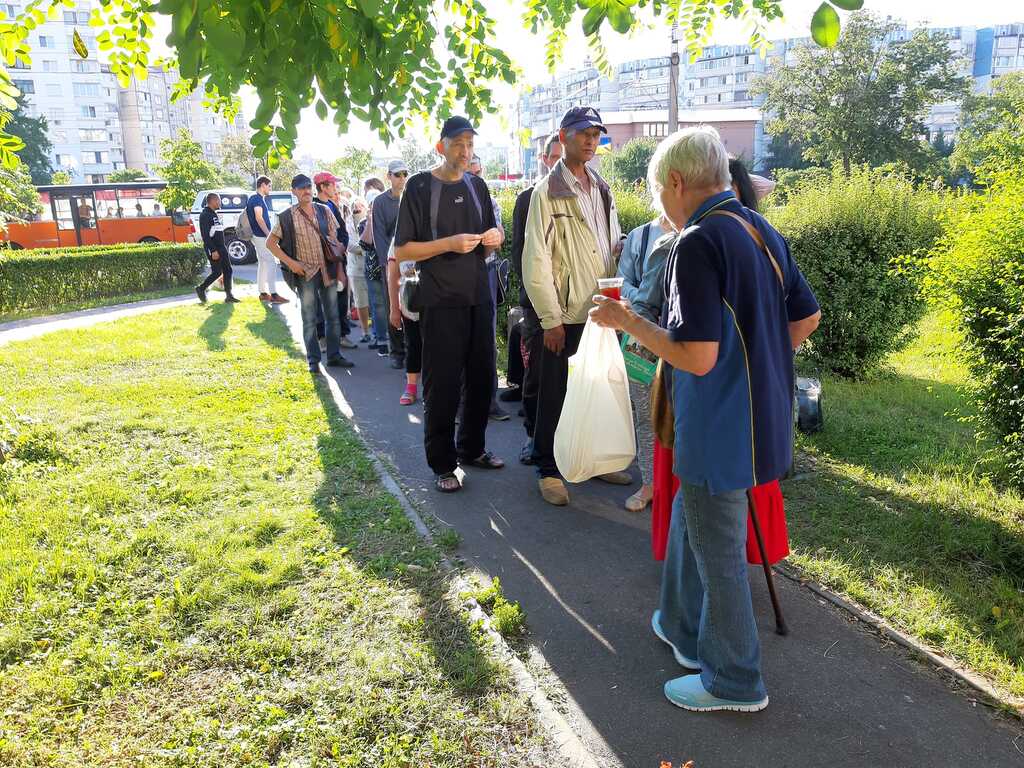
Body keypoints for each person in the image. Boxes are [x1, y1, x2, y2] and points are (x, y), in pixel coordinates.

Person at [589, 126, 821, 713]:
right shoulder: (758, 227)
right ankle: (681, 625)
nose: (659, 209)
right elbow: (805, 318)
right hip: (760, 420)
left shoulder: (695, 242)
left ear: (674, 182)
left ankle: (735, 680)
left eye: (658, 194)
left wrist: (627, 322)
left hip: (719, 430)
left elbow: (696, 354)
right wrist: (758, 366)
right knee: (694, 528)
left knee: (717, 551)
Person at [521, 106, 628, 507]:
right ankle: (547, 469)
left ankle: (595, 460)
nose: (590, 139)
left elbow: (610, 243)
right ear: (563, 136)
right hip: (563, 316)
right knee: (555, 394)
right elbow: (536, 259)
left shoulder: (601, 186)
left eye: (596, 133)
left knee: (597, 389)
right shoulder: (546, 192)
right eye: (583, 132)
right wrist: (550, 319)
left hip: (602, 310)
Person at [394, 116, 505, 493]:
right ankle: (443, 464)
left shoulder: (478, 186)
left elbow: (496, 237)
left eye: (470, 143)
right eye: (458, 143)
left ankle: (472, 448)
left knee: (481, 379)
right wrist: (448, 244)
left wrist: (495, 237)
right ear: (440, 146)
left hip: (479, 297)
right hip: (440, 302)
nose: (466, 150)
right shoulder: (419, 186)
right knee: (442, 385)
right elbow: (403, 249)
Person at [616, 215, 676, 512]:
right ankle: (650, 483)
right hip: (641, 339)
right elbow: (622, 279)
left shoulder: (700, 231)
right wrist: (644, 298)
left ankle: (674, 485)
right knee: (644, 414)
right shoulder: (641, 236)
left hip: (676, 340)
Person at [266, 174, 354, 373]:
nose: (306, 190)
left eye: (307, 187)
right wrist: (291, 263)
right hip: (305, 274)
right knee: (309, 319)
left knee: (333, 316)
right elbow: (270, 243)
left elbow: (334, 240)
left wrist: (339, 266)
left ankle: (334, 356)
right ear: (294, 192)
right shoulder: (286, 216)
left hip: (328, 270)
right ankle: (313, 361)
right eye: (300, 188)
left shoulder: (324, 210)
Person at [510, 132, 562, 463]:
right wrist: (543, 299)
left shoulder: (584, 195)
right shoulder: (528, 198)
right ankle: (533, 437)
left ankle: (568, 442)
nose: (561, 165)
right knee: (537, 378)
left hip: (575, 308)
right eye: (555, 157)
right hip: (539, 307)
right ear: (544, 159)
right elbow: (520, 256)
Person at [468, 155, 509, 421]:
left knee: (487, 341)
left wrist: (493, 238)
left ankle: (490, 403)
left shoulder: (490, 201)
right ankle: (463, 407)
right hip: (459, 278)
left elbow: (499, 236)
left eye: (479, 172)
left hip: (487, 272)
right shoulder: (448, 200)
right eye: (472, 173)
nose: (477, 177)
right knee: (461, 341)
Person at [372, 160, 409, 369]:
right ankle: (397, 352)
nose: (402, 178)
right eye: (397, 174)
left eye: (405, 174)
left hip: (413, 262)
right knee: (392, 307)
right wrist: (388, 264)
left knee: (412, 306)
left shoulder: (412, 198)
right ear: (389, 176)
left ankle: (413, 350)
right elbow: (379, 236)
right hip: (391, 262)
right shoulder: (380, 202)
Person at [314, 171, 357, 350]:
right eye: (332, 184)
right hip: (321, 263)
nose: (335, 187)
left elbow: (343, 232)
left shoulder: (332, 204)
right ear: (323, 187)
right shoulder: (313, 207)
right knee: (321, 301)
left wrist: (341, 248)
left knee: (341, 298)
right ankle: (322, 337)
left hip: (338, 259)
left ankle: (342, 335)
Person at [387, 241, 422, 405]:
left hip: (436, 305)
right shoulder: (398, 239)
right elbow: (392, 276)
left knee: (435, 348)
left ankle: (433, 389)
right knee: (413, 344)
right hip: (410, 304)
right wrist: (394, 309)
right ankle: (411, 387)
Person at [247, 175, 287, 304]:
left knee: (263, 264)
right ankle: (274, 294)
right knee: (271, 262)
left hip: (257, 236)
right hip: (260, 236)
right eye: (269, 186)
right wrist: (268, 234)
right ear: (263, 185)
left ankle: (263, 293)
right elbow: (259, 218)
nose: (270, 188)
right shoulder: (257, 199)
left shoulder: (256, 198)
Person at [195, 192, 239, 304]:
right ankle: (201, 288)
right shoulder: (205, 214)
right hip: (214, 248)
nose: (220, 203)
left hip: (221, 247)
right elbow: (205, 235)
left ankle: (229, 296)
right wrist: (213, 250)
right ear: (212, 201)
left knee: (228, 270)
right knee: (217, 272)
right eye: (218, 200)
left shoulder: (213, 213)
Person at [348, 198, 372, 342]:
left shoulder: (370, 222)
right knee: (361, 302)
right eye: (354, 207)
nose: (357, 208)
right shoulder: (348, 223)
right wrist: (366, 249)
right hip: (356, 269)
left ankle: (378, 331)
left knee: (377, 302)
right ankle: (365, 332)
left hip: (372, 267)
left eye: (360, 206)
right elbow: (349, 245)